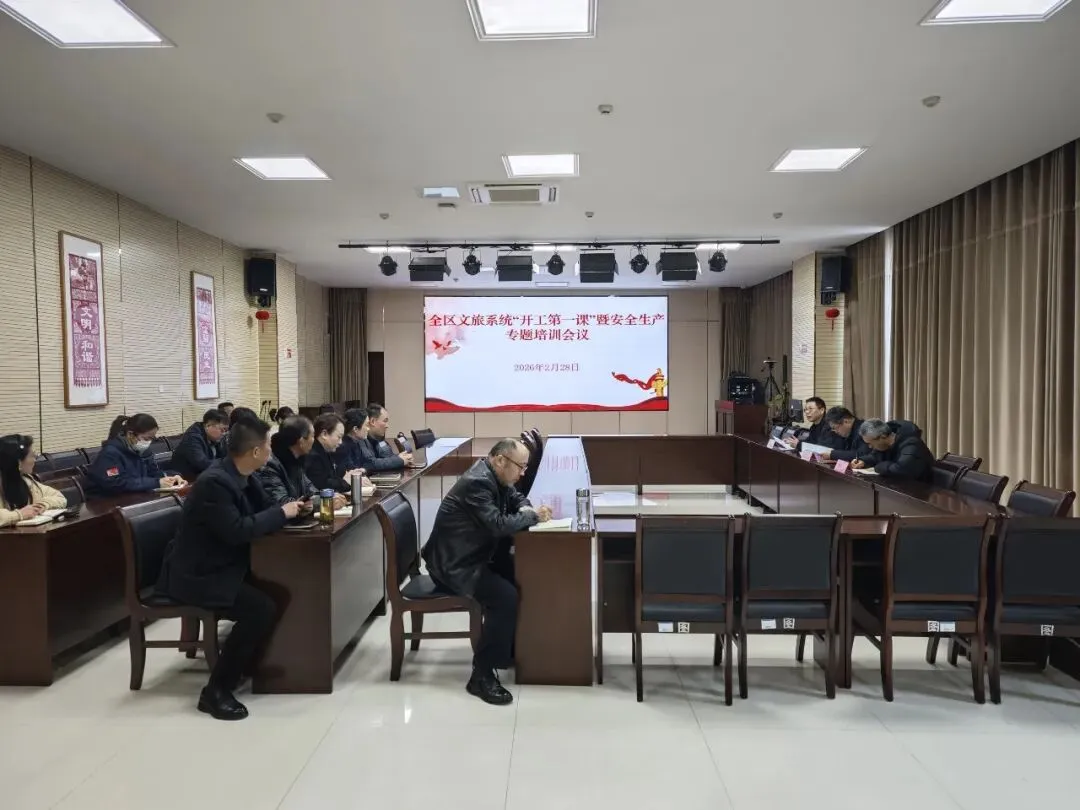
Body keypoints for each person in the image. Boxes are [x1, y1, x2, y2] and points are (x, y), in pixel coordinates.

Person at [156, 415, 303, 720]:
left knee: (283, 586)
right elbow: (236, 530)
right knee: (259, 608)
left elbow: (268, 508)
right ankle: (216, 690)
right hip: (198, 574)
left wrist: (298, 509)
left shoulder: (244, 474)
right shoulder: (215, 482)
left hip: (226, 564)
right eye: (268, 446)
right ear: (255, 451)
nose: (271, 451)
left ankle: (255, 663)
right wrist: (281, 513)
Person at [422, 438, 553, 706]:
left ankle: (509, 649)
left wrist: (526, 508)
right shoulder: (477, 483)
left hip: (474, 556)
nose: (522, 473)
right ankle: (481, 676)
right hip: (454, 565)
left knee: (520, 575)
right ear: (500, 460)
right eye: (520, 466)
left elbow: (516, 497)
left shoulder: (496, 476)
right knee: (505, 597)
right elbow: (497, 525)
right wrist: (533, 516)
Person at [257, 415, 347, 509]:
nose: (314, 440)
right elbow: (284, 504)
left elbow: (311, 491)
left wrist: (329, 496)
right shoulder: (271, 466)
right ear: (301, 441)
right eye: (312, 436)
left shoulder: (297, 461)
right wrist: (325, 502)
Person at [86, 414, 184, 496]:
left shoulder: (143, 450)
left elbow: (153, 473)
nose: (148, 442)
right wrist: (156, 482)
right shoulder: (110, 454)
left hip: (136, 496)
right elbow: (116, 483)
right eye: (146, 439)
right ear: (130, 434)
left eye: (151, 439)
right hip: (107, 501)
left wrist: (171, 477)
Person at [0, 434, 67, 527]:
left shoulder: (26, 481)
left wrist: (42, 505)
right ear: (19, 462)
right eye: (32, 456)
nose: (35, 460)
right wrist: (19, 514)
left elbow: (59, 497)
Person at [304, 413, 368, 494]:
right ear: (324, 434)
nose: (341, 442)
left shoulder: (326, 451)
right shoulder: (313, 455)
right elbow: (322, 485)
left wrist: (349, 475)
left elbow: (333, 476)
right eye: (339, 437)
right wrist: (346, 482)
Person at [854, 418, 935, 481]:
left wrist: (879, 467)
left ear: (882, 436)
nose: (869, 447)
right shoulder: (884, 444)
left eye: (870, 443)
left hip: (924, 487)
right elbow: (875, 456)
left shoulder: (911, 443)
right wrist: (863, 461)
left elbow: (902, 469)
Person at [169, 409, 228, 481]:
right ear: (208, 425)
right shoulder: (192, 438)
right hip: (185, 479)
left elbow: (224, 456)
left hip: (204, 476)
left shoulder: (215, 438)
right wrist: (226, 464)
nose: (224, 433)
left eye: (226, 430)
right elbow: (202, 464)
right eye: (222, 430)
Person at [357, 403, 412, 472]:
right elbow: (371, 463)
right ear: (372, 421)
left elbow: (387, 458)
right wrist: (399, 460)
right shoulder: (361, 439)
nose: (387, 426)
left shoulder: (379, 439)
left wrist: (403, 458)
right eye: (385, 421)